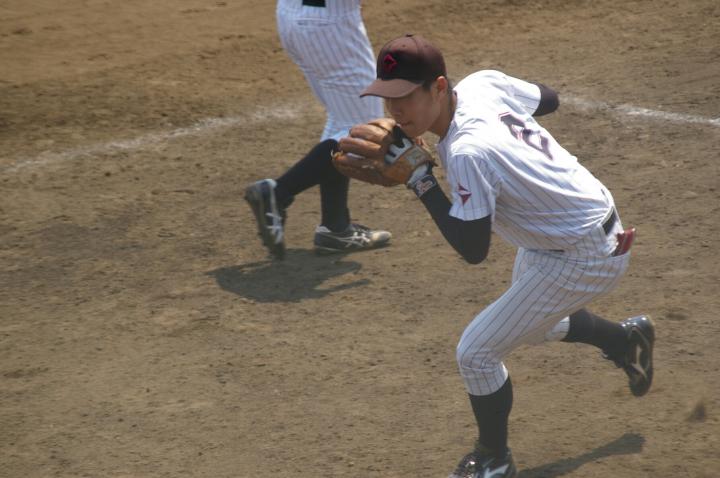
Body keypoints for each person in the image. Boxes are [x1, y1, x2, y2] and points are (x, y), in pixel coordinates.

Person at [356, 34, 655, 478]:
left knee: (476, 352)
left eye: (406, 97)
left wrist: (421, 180)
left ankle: (494, 458)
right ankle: (624, 340)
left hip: (584, 255)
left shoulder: (468, 152)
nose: (395, 112)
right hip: (574, 226)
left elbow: (473, 249)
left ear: (439, 88)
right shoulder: (482, 84)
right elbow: (548, 99)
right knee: (534, 325)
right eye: (388, 98)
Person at [244, 0, 390, 259]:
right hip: (328, 24)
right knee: (367, 134)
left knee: (343, 120)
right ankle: (277, 192)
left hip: (292, 14)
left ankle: (335, 227)